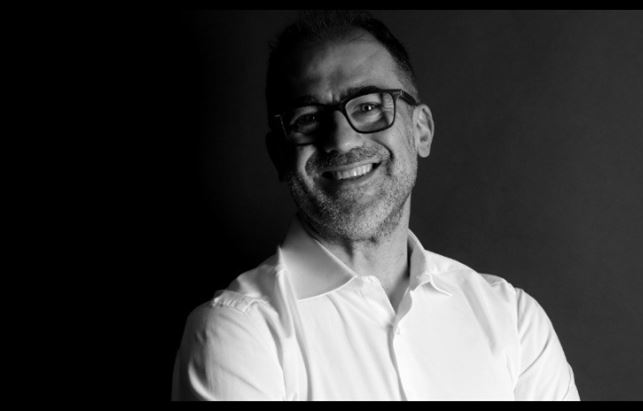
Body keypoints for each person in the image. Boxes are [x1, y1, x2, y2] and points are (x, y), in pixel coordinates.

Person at [172, 10, 580, 401]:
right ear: (279, 155)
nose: (342, 140)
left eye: (367, 107)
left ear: (421, 131)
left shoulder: (513, 320)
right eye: (308, 118)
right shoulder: (238, 330)